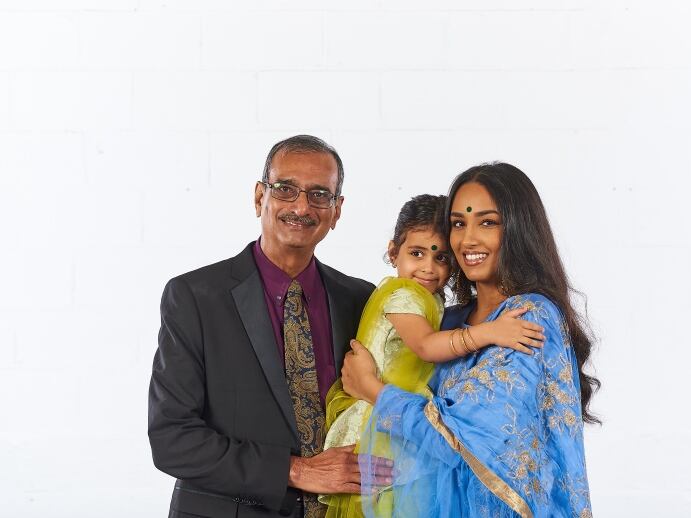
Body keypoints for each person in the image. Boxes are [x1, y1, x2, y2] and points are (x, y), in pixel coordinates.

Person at [342, 163, 599, 517]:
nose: (469, 239)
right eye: (459, 224)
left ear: (518, 230)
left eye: (488, 222)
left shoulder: (528, 317)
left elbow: (454, 441)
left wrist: (370, 387)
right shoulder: (452, 320)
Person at [148, 135, 386, 518]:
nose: (302, 206)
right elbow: (172, 439)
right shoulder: (194, 297)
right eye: (286, 189)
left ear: (337, 210)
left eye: (319, 194)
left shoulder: (359, 299)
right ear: (260, 197)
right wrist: (297, 470)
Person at [321, 194, 545, 518]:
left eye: (441, 258)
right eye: (417, 253)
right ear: (392, 251)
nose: (428, 267)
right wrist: (490, 332)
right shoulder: (404, 294)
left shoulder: (433, 300)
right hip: (375, 422)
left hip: (397, 415)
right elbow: (426, 346)